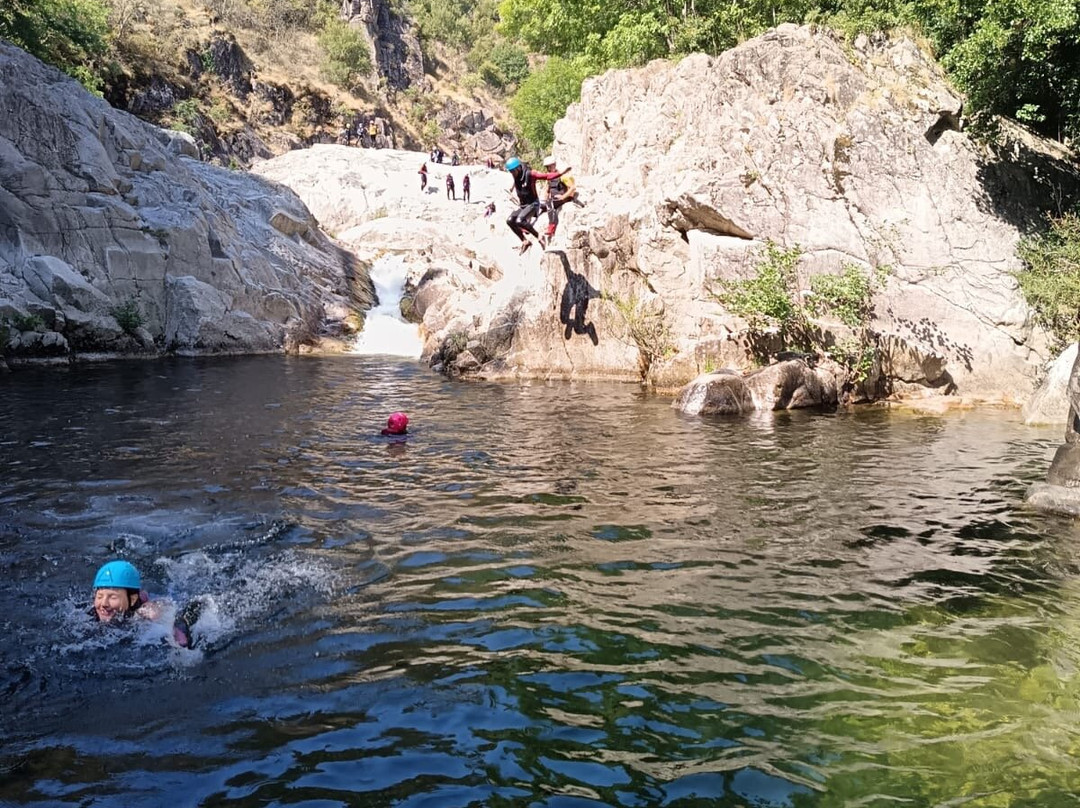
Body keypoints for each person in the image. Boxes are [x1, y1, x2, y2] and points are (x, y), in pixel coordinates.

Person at [90, 560, 205, 648]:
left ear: (133, 599)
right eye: (99, 596)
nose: (103, 603)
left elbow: (167, 618)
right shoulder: (90, 613)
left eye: (112, 597)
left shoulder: (143, 612)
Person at [504, 157, 571, 255]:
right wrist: (511, 187)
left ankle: (539, 236)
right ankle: (525, 241)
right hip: (523, 206)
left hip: (533, 205)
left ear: (518, 168)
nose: (512, 174)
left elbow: (546, 176)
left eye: (513, 171)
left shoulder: (530, 173)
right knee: (510, 221)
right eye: (511, 172)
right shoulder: (516, 175)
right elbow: (516, 182)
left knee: (519, 220)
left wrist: (562, 172)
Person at [539, 155, 584, 247]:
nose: (548, 169)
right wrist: (545, 198)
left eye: (549, 166)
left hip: (563, 198)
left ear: (554, 165)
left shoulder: (563, 176)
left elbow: (572, 188)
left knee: (549, 203)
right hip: (555, 199)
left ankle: (552, 226)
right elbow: (547, 190)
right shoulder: (549, 178)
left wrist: (563, 197)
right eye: (547, 167)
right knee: (541, 205)